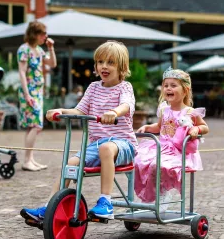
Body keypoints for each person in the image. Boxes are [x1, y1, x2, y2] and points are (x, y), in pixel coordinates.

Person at [20, 40, 137, 220]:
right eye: (100, 62)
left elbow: (126, 105)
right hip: (96, 145)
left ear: (122, 67)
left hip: (123, 144)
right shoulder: (93, 87)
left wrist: (114, 112)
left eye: (111, 63)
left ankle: (105, 202)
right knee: (71, 163)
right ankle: (49, 207)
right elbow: (80, 110)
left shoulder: (124, 87)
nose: (104, 67)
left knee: (106, 148)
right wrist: (61, 111)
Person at [134, 68, 208, 204]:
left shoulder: (190, 112)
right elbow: (159, 126)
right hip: (162, 147)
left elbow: (205, 127)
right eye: (166, 85)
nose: (168, 88)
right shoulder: (163, 109)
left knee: (158, 164)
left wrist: (196, 129)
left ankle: (162, 193)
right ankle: (151, 194)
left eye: (173, 86)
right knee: (140, 160)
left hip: (179, 151)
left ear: (185, 90)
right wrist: (147, 127)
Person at [18, 21, 57, 171]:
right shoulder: (24, 49)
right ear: (35, 34)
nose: (45, 36)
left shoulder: (39, 50)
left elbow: (52, 64)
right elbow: (22, 72)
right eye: (43, 34)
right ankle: (27, 161)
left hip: (37, 92)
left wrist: (51, 48)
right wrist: (27, 94)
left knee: (31, 127)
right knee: (37, 126)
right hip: (30, 92)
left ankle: (30, 159)